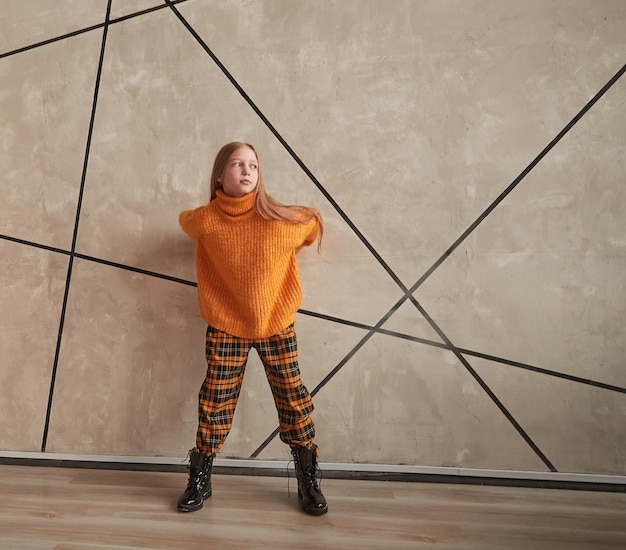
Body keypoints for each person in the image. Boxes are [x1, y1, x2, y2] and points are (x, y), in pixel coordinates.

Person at [176, 141, 328, 516]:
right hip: (227, 325)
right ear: (219, 175)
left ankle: (308, 476)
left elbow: (311, 224)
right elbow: (186, 221)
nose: (247, 171)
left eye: (254, 166)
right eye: (237, 164)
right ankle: (201, 477)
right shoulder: (208, 221)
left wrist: (285, 212)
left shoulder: (277, 219)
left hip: (276, 322)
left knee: (293, 397)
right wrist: (213, 203)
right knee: (215, 400)